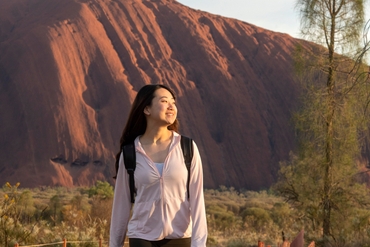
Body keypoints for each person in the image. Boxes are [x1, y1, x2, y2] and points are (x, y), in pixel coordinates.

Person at [109, 84, 207, 247]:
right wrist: (114, 245)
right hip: (142, 238)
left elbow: (197, 200)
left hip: (180, 238)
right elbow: (121, 205)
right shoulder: (131, 153)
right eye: (164, 101)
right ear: (146, 109)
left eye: (173, 102)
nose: (171, 106)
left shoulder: (187, 147)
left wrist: (199, 244)